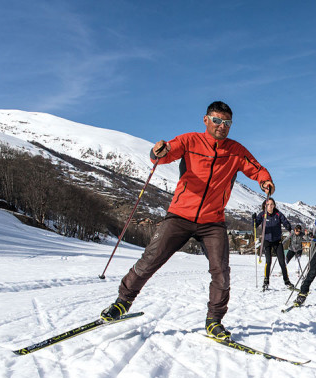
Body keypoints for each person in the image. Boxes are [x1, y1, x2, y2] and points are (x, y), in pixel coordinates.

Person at [100, 101, 274, 341]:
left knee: (221, 271)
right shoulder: (190, 141)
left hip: (213, 221)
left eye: (227, 123)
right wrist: (157, 151)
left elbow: (256, 168)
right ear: (206, 120)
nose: (222, 126)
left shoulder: (236, 150)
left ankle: (214, 321)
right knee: (150, 260)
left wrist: (265, 181)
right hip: (180, 215)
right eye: (217, 120)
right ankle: (122, 303)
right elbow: (164, 154)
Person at [253, 198, 293, 290]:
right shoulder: (262, 214)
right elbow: (255, 225)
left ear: (274, 205)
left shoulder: (278, 214)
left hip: (277, 241)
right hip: (267, 241)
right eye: (268, 204)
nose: (270, 206)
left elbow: (285, 221)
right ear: (265, 206)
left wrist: (288, 226)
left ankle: (287, 281)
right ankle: (266, 281)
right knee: (268, 261)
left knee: (282, 262)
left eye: (272, 204)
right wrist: (254, 220)